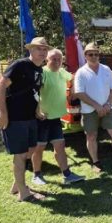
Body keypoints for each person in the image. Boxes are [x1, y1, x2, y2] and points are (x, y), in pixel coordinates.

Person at [0, 37, 48, 202]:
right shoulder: (20, 65)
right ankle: (24, 194)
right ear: (30, 50)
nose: (42, 52)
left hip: (30, 117)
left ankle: (17, 185)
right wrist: (3, 114)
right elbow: (0, 87)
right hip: (15, 118)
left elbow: (35, 93)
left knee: (31, 150)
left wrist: (37, 111)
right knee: (20, 154)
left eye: (45, 49)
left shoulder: (40, 70)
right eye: (39, 48)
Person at [31, 48, 86, 185]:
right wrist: (38, 111)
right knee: (39, 148)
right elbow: (34, 93)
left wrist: (73, 90)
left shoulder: (62, 72)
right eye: (53, 59)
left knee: (60, 146)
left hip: (56, 118)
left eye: (59, 59)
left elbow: (73, 78)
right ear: (47, 60)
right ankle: (36, 175)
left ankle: (67, 174)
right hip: (42, 118)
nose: (57, 62)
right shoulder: (42, 73)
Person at [74, 42, 112, 172]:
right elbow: (79, 93)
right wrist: (96, 106)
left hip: (107, 108)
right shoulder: (81, 72)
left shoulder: (106, 69)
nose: (94, 56)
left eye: (96, 54)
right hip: (89, 110)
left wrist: (107, 104)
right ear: (85, 56)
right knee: (91, 136)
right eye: (91, 54)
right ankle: (95, 162)